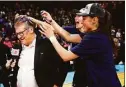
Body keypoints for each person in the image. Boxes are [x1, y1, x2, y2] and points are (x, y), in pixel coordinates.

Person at [39, 3, 122, 87]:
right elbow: (68, 36)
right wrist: (51, 21)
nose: (82, 21)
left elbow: (66, 56)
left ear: (94, 20)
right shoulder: (98, 34)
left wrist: (51, 37)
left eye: (84, 18)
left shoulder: (93, 38)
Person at [14, 15, 68, 87]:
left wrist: (57, 84)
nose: (19, 36)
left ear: (31, 29)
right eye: (17, 34)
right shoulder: (17, 47)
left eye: (21, 33)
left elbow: (64, 63)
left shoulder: (46, 44)